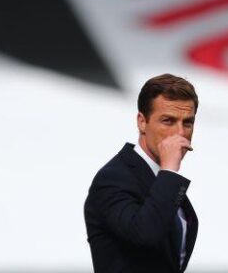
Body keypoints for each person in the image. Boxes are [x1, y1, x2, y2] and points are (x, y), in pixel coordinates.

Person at [85, 73, 199, 272]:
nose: (180, 133)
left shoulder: (161, 180)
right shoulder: (113, 179)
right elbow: (145, 235)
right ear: (142, 122)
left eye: (187, 123)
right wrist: (169, 171)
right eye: (168, 121)